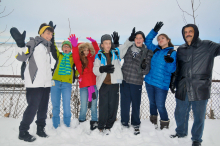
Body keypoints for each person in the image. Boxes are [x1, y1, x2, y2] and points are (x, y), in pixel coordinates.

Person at [170, 24, 220, 146]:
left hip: (200, 88)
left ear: (196, 32)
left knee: (199, 116)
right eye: (185, 32)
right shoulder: (181, 49)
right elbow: (178, 68)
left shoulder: (208, 46)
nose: (188, 34)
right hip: (183, 87)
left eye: (190, 31)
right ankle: (181, 132)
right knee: (180, 113)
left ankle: (196, 139)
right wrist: (173, 82)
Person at [10, 22, 55, 142]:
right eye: (47, 33)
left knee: (43, 108)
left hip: (45, 84)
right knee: (32, 108)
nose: (50, 36)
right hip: (35, 84)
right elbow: (21, 57)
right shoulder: (33, 43)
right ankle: (23, 131)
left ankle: (40, 128)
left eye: (51, 34)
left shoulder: (47, 47)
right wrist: (20, 43)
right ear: (41, 33)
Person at [93, 31, 133, 135]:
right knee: (103, 106)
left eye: (109, 43)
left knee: (113, 105)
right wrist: (102, 69)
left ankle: (109, 126)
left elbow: (125, 46)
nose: (108, 45)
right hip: (103, 85)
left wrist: (131, 38)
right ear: (102, 44)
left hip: (114, 84)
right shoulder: (99, 55)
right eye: (106, 43)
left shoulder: (115, 52)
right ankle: (101, 125)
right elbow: (95, 70)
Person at [120, 28, 153, 135]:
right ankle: (124, 122)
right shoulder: (128, 48)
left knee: (135, 104)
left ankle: (136, 123)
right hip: (125, 80)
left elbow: (147, 70)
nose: (138, 39)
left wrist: (143, 67)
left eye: (140, 38)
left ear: (143, 39)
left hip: (136, 82)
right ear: (134, 39)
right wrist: (116, 43)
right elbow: (118, 55)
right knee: (124, 103)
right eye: (136, 38)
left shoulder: (147, 52)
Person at [144, 22, 176, 129]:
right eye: (158, 39)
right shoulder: (156, 50)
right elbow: (147, 41)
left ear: (168, 40)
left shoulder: (172, 52)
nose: (160, 40)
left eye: (162, 38)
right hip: (149, 81)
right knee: (152, 103)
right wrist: (154, 31)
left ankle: (164, 125)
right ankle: (152, 123)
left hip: (161, 85)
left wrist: (170, 61)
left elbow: (172, 70)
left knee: (160, 105)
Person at [68, 34, 99, 131]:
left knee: (94, 105)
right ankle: (81, 121)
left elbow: (98, 52)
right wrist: (74, 46)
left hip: (93, 85)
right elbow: (75, 55)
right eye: (84, 50)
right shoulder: (79, 61)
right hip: (84, 86)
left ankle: (94, 121)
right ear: (81, 51)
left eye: (87, 50)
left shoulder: (92, 58)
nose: (86, 52)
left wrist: (94, 43)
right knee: (84, 105)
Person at [50, 38, 78, 128]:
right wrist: (52, 37)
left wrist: (75, 75)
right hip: (55, 83)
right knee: (55, 105)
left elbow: (79, 64)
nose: (66, 48)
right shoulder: (59, 55)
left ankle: (67, 125)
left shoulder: (73, 57)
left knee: (66, 105)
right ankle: (55, 125)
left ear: (70, 49)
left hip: (67, 84)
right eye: (64, 46)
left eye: (68, 47)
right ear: (62, 48)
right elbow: (53, 48)